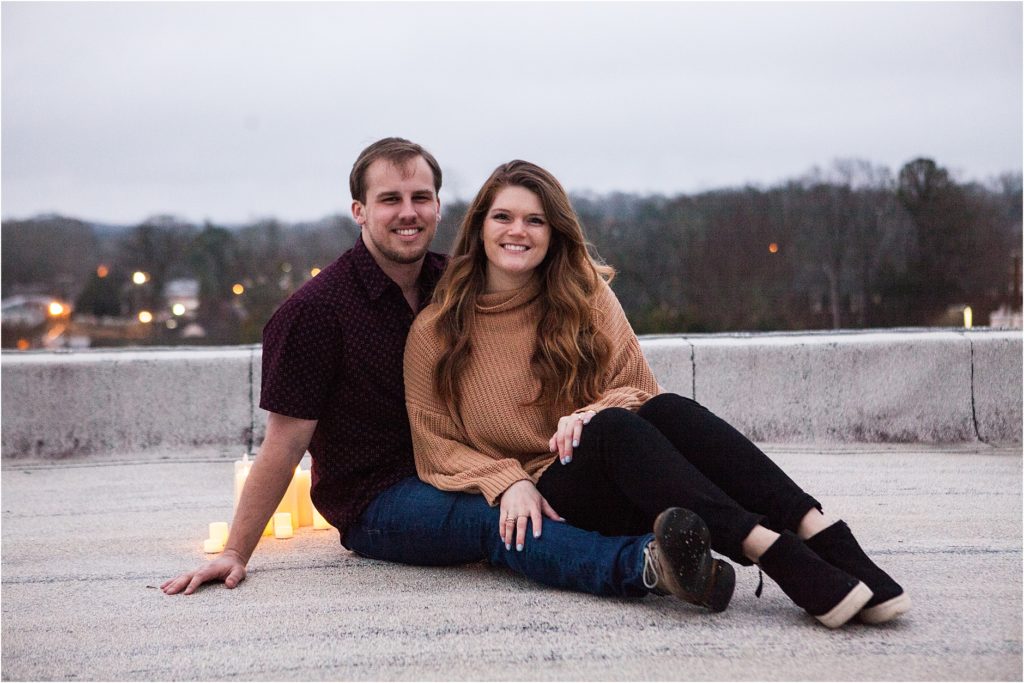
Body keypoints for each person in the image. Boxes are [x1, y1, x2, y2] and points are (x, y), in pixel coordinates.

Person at [161, 137, 726, 608]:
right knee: (497, 520)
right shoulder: (314, 313)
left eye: (421, 197)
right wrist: (236, 550)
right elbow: (283, 447)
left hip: (473, 459)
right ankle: (645, 565)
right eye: (389, 199)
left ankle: (714, 546)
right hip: (382, 497)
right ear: (359, 210)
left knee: (569, 479)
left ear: (438, 206)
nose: (408, 213)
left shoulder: (455, 284)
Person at [403, 160, 911, 628]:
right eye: (503, 217)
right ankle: (771, 550)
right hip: (554, 497)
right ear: (480, 227)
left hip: (632, 469)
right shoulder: (439, 329)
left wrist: (587, 413)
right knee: (613, 429)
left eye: (535, 220)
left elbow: (639, 388)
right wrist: (506, 480)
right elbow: (434, 445)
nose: (518, 231)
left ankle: (820, 531)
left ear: (554, 232)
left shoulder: (583, 294)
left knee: (665, 410)